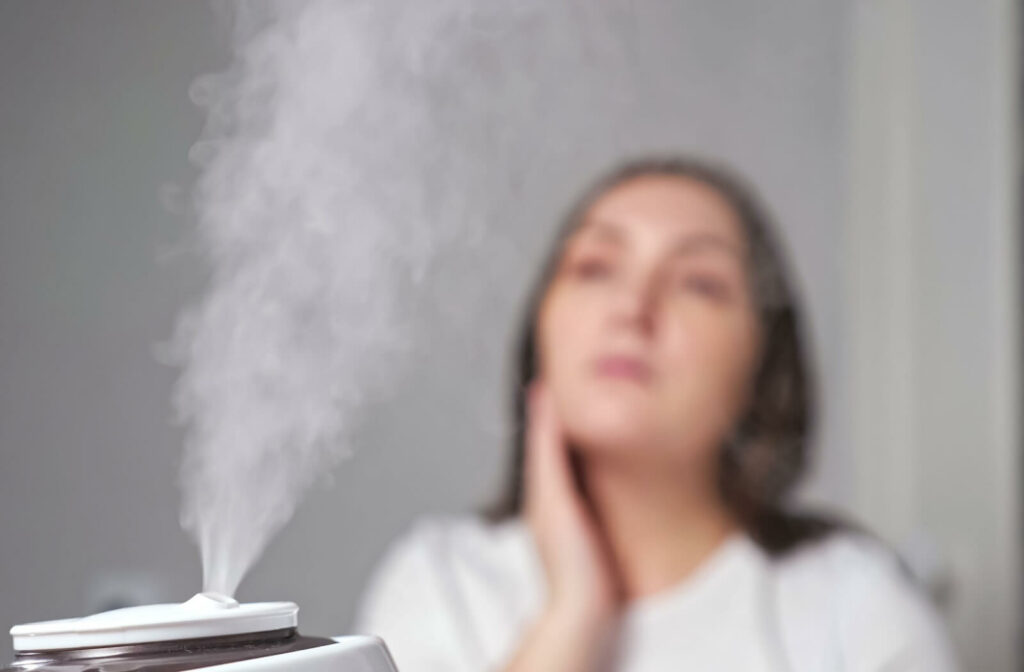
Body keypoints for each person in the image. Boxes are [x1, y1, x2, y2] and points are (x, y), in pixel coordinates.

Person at [352, 157, 957, 671]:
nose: (632, 307)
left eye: (698, 282)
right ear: (543, 334)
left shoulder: (854, 608)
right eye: (593, 267)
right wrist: (571, 617)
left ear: (764, 365)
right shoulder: (443, 583)